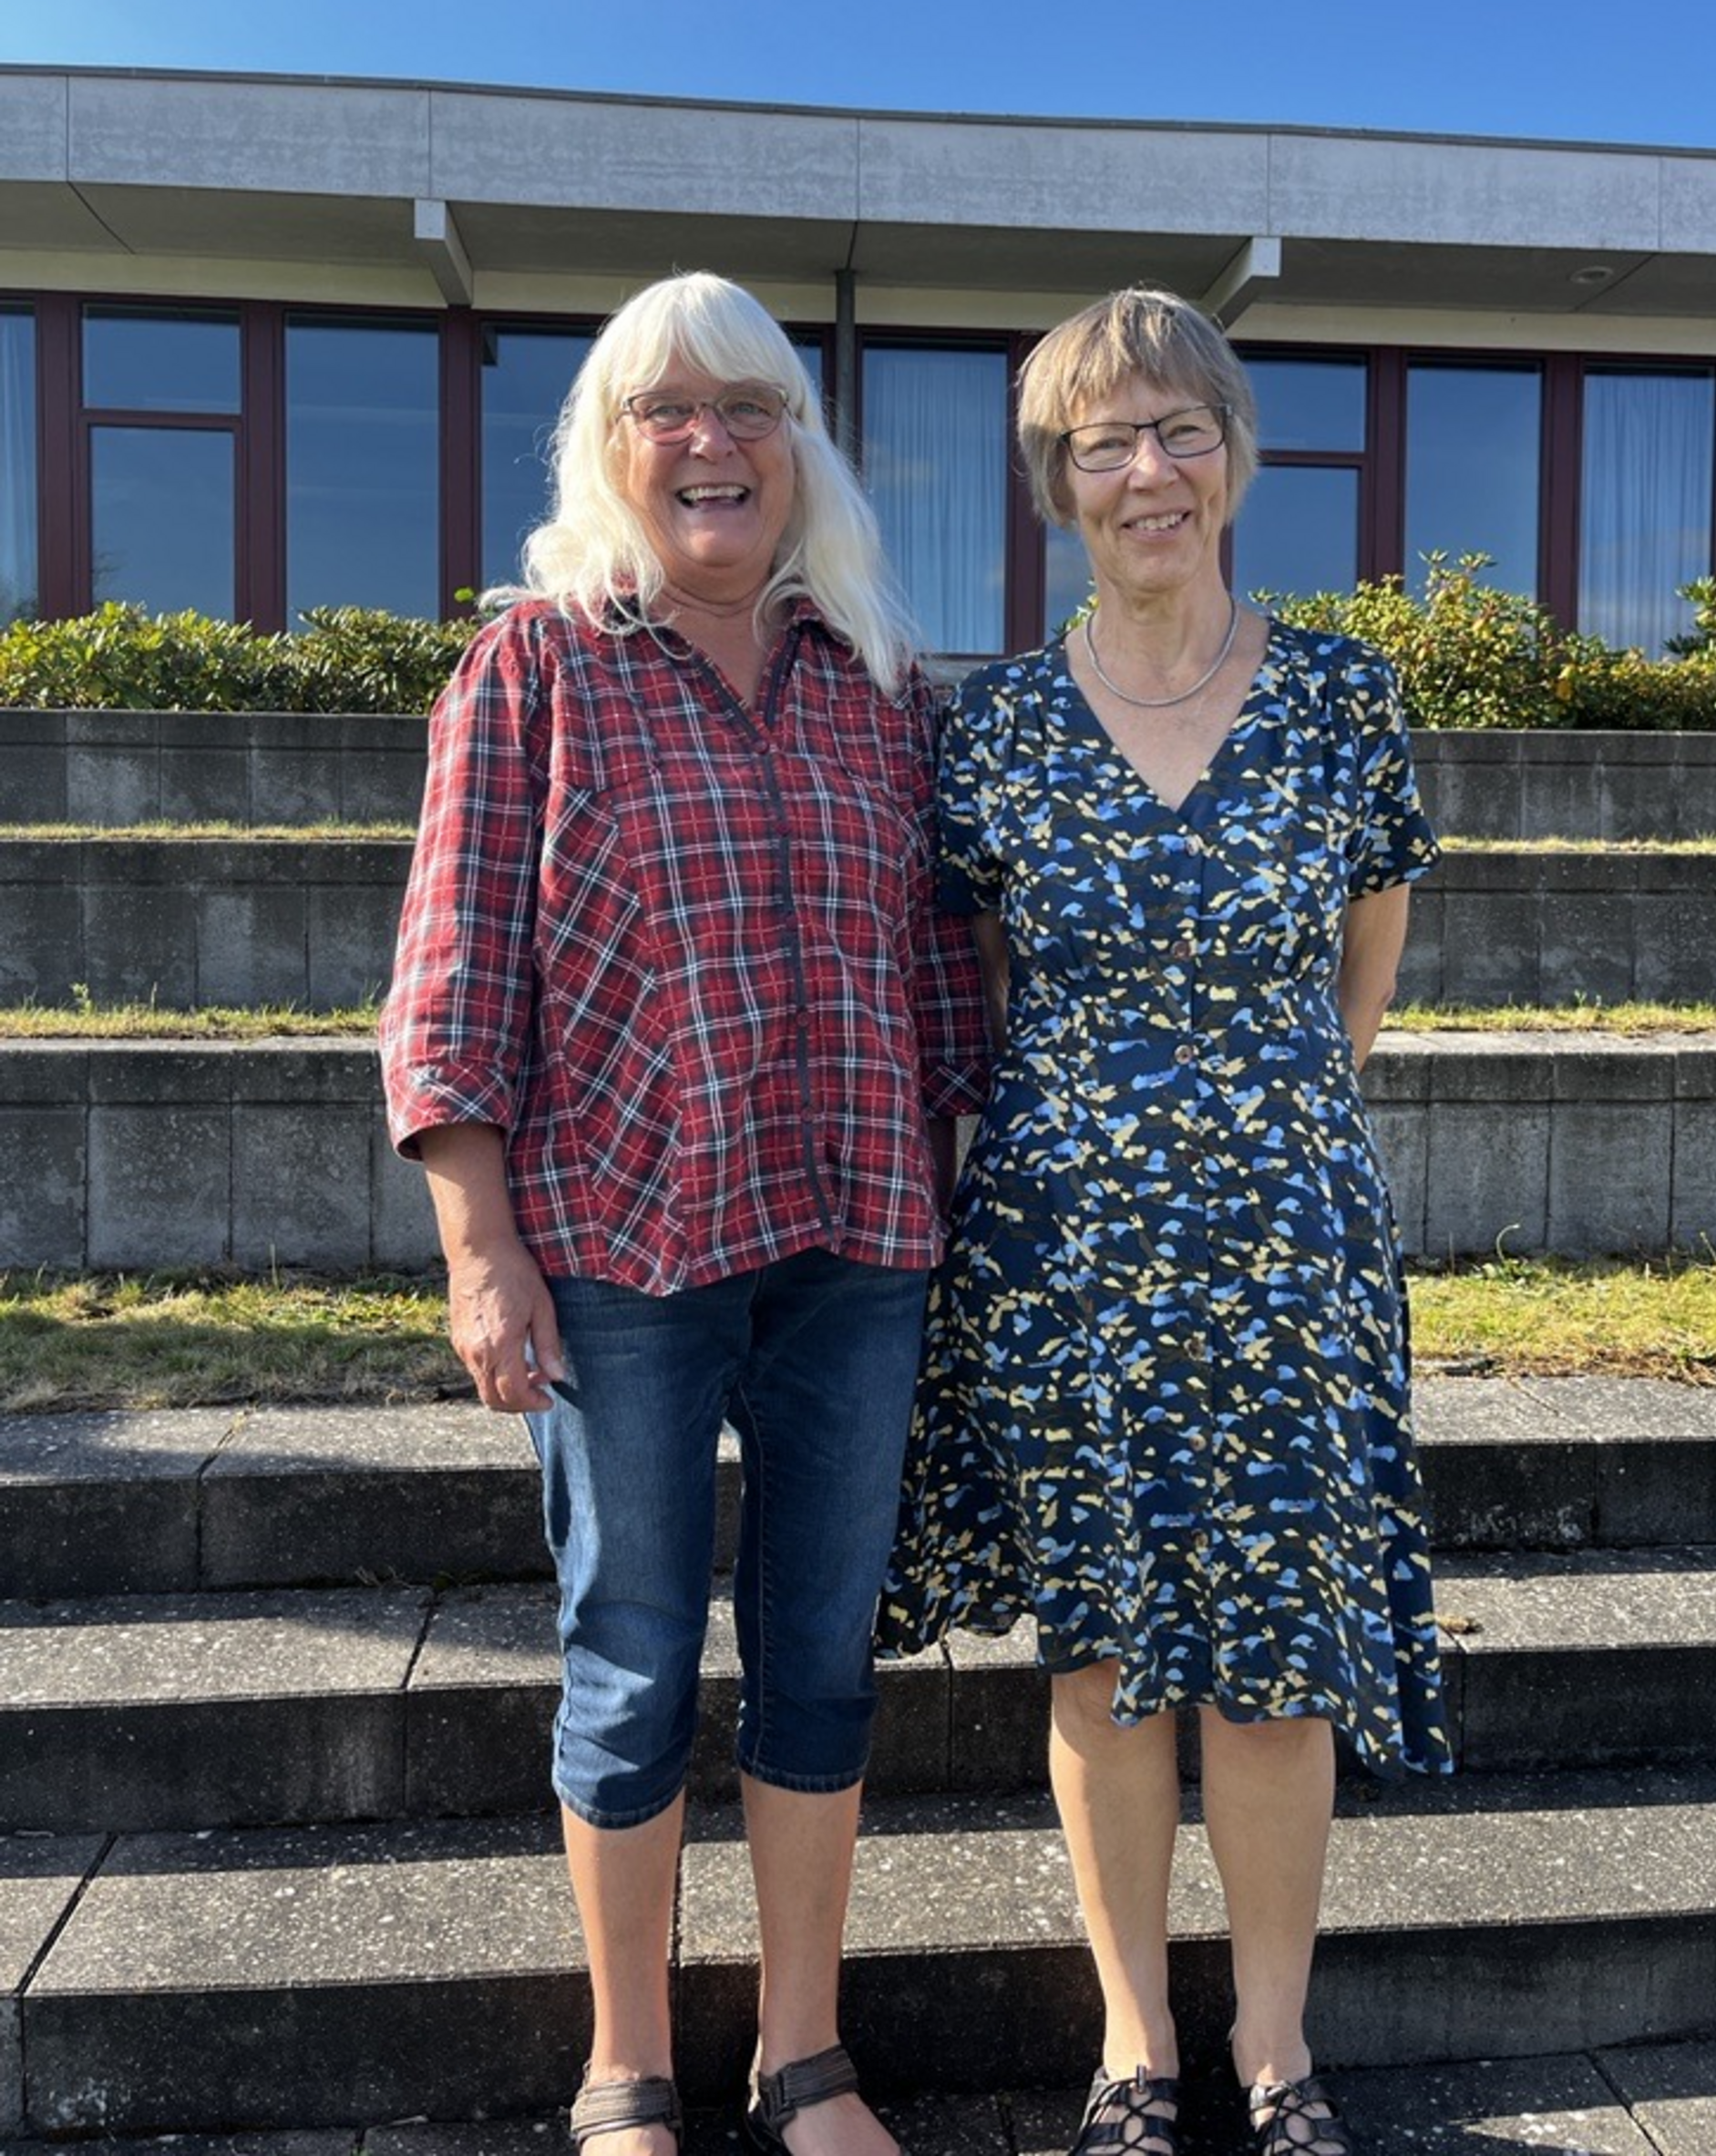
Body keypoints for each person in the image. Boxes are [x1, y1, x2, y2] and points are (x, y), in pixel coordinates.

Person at [379, 272, 989, 2156]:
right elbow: (452, 974)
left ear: (798, 444)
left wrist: (944, 1205)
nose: (709, 442)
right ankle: (626, 2066)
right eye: (667, 410)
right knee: (633, 1654)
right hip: (618, 1252)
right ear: (609, 444)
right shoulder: (533, 670)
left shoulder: (882, 684)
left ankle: (803, 2057)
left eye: (748, 407)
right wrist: (480, 1249)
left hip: (854, 1249)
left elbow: (941, 986)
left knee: (819, 1657)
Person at [878, 288, 1451, 2156]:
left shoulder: (1343, 700)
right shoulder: (992, 728)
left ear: (1233, 456)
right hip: (1064, 1260)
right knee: (1106, 1661)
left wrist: (1253, 1135)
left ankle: (1275, 2051)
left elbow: (1362, 971)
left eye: (1181, 430)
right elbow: (985, 986)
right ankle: (1134, 2047)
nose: (1148, 472)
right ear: (1057, 481)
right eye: (1104, 440)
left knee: (1278, 1661)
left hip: (1289, 1253)